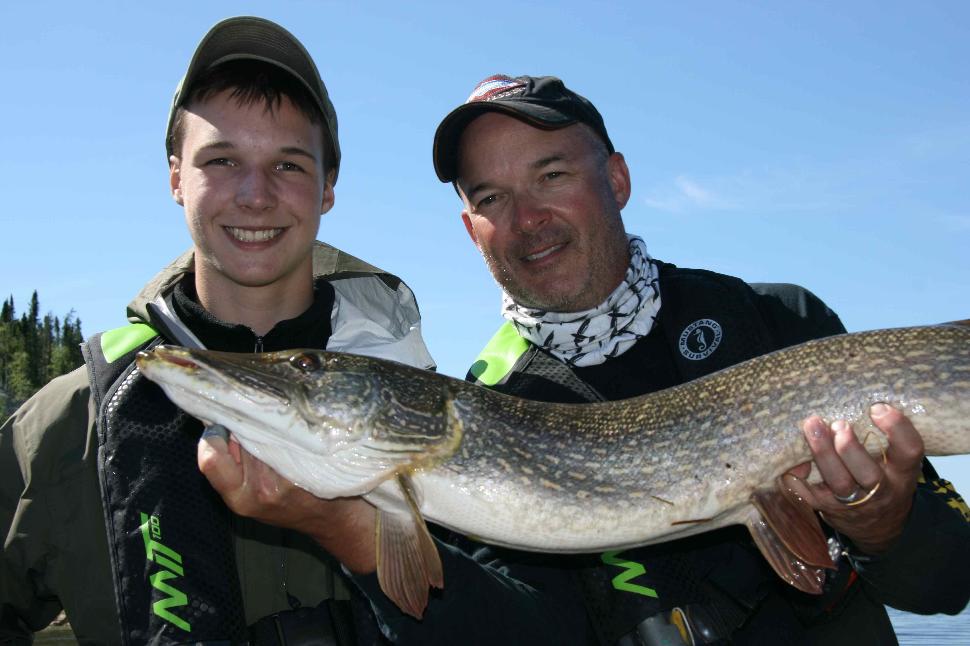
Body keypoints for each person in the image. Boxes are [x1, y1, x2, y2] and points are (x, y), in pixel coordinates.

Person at [420, 74, 970, 644]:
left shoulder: (777, 321)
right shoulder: (491, 414)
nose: (527, 217)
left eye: (551, 175)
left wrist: (884, 526)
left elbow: (947, 583)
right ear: (471, 229)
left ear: (617, 179)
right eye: (490, 197)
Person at [0, 16, 434, 645]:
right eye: (222, 160)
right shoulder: (66, 424)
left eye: (287, 164)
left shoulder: (428, 404)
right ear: (177, 177)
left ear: (328, 188)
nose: (255, 195)